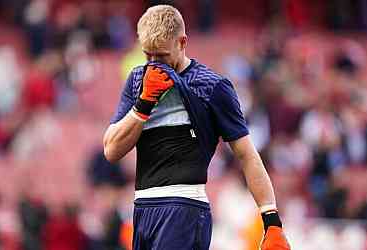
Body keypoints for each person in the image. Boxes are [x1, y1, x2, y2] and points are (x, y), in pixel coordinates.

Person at [103, 5, 290, 250]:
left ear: (182, 43)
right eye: (148, 55)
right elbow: (111, 150)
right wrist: (143, 105)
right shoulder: (138, 80)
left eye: (161, 56)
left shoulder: (212, 86)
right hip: (142, 208)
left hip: (184, 208)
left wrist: (271, 219)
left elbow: (246, 154)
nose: (155, 63)